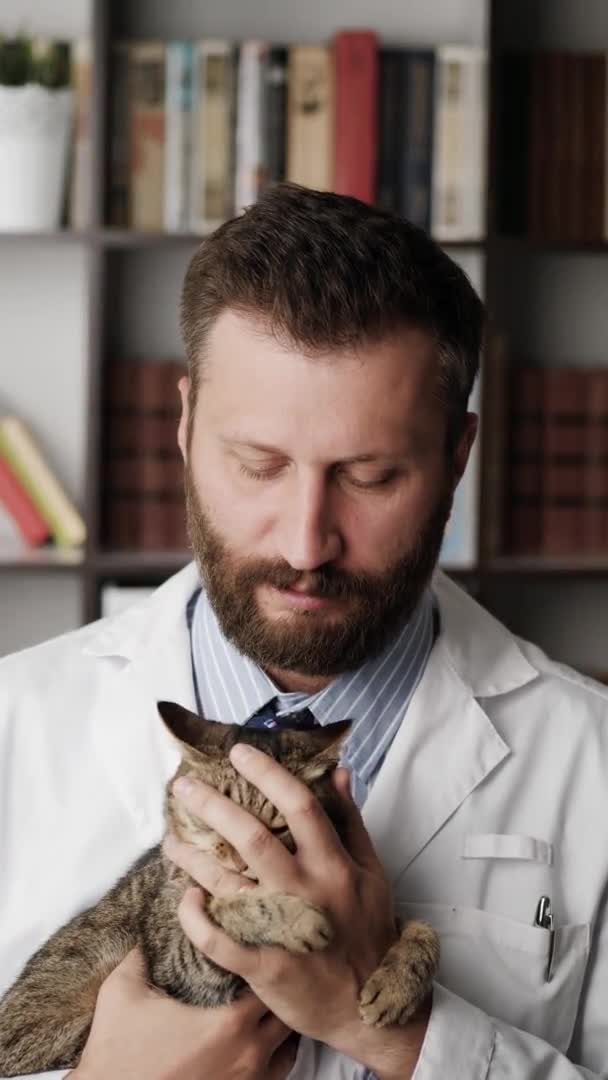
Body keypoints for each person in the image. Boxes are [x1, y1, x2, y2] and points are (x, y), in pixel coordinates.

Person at [0, 183, 606, 1080]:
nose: (304, 542)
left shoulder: (591, 761)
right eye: (258, 464)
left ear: (457, 458)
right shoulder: (13, 721)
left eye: (369, 475)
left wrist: (404, 1037)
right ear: (184, 425)